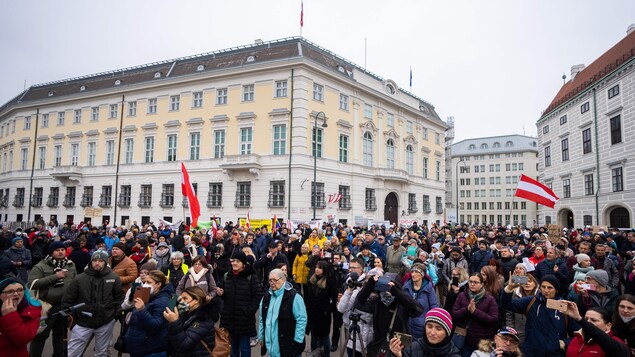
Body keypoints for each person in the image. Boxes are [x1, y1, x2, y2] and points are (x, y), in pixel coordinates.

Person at [62, 250, 124, 357]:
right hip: (82, 323)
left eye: (100, 261)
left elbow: (119, 299)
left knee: (101, 353)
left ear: (105, 262)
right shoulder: (79, 278)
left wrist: (114, 316)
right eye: (95, 260)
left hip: (105, 323)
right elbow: (67, 301)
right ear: (91, 262)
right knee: (73, 353)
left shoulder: (113, 278)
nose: (97, 263)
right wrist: (72, 323)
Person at [502, 274, 578, 357]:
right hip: (531, 352)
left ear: (556, 290)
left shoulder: (564, 306)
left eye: (550, 288)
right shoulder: (532, 301)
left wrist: (565, 343)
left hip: (555, 353)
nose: (545, 290)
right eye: (543, 287)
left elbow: (578, 334)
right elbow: (507, 305)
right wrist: (509, 288)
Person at [28, 241, 78, 357]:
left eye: (62, 249)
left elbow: (75, 282)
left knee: (60, 334)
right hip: (47, 306)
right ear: (51, 252)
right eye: (57, 250)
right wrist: (55, 277)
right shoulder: (41, 265)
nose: (60, 252)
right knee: (41, 335)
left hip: (64, 305)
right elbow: (32, 284)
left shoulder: (70, 265)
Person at [217, 251, 263, 357]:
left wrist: (249, 311)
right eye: (233, 261)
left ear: (243, 263)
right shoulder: (227, 276)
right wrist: (222, 293)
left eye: (237, 261)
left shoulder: (251, 276)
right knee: (233, 348)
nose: (234, 263)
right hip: (229, 318)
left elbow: (257, 296)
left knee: (245, 348)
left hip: (244, 319)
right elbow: (225, 293)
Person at [123, 270, 174, 357]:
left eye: (149, 282)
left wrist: (142, 310)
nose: (145, 284)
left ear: (158, 284)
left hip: (151, 350)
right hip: (139, 348)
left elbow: (156, 325)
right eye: (145, 282)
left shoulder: (163, 301)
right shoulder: (148, 296)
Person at [259, 268, 307, 357]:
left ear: (283, 280)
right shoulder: (266, 297)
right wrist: (261, 337)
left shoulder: (294, 297)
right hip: (271, 346)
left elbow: (301, 319)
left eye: (275, 280)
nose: (272, 282)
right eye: (270, 280)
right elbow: (262, 318)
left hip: (288, 346)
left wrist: (297, 341)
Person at [163, 286, 223, 357]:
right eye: (180, 300)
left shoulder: (203, 319)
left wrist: (175, 322)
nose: (181, 302)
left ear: (196, 300)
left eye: (185, 298)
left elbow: (184, 344)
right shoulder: (186, 315)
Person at [452, 272, 500, 357]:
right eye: (470, 282)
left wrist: (475, 312)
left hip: (482, 341)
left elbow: (493, 319)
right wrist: (467, 309)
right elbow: (454, 314)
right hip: (463, 339)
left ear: (482, 284)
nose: (472, 284)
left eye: (476, 282)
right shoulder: (462, 296)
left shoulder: (489, 299)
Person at [562, 302, 630, 356]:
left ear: (608, 325)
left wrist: (580, 319)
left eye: (594, 320)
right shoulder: (576, 340)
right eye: (586, 319)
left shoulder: (615, 344)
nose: (588, 322)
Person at [337, 258, 373, 357]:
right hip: (350, 326)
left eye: (353, 268)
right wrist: (348, 290)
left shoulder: (367, 283)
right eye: (350, 267)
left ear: (361, 269)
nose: (350, 270)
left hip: (363, 329)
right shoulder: (349, 281)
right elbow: (341, 308)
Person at [389, 307, 461, 357]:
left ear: (446, 333)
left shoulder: (453, 354)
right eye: (429, 326)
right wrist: (397, 355)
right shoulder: (412, 348)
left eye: (438, 328)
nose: (432, 332)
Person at [0, 277, 42, 357]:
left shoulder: (31, 310)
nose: (16, 294)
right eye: (10, 291)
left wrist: (10, 315)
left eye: (20, 290)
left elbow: (23, 339)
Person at [305, 259, 338, 354]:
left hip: (324, 314)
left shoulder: (330, 281)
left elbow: (334, 298)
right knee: (313, 335)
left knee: (324, 336)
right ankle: (313, 354)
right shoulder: (312, 280)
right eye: (316, 267)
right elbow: (307, 296)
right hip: (312, 313)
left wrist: (327, 310)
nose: (317, 269)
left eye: (320, 268)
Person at [403, 263, 439, 339]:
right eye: (412, 272)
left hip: (422, 327)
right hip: (406, 325)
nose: (413, 274)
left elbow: (434, 307)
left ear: (422, 274)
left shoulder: (429, 289)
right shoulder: (406, 286)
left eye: (416, 272)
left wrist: (429, 324)